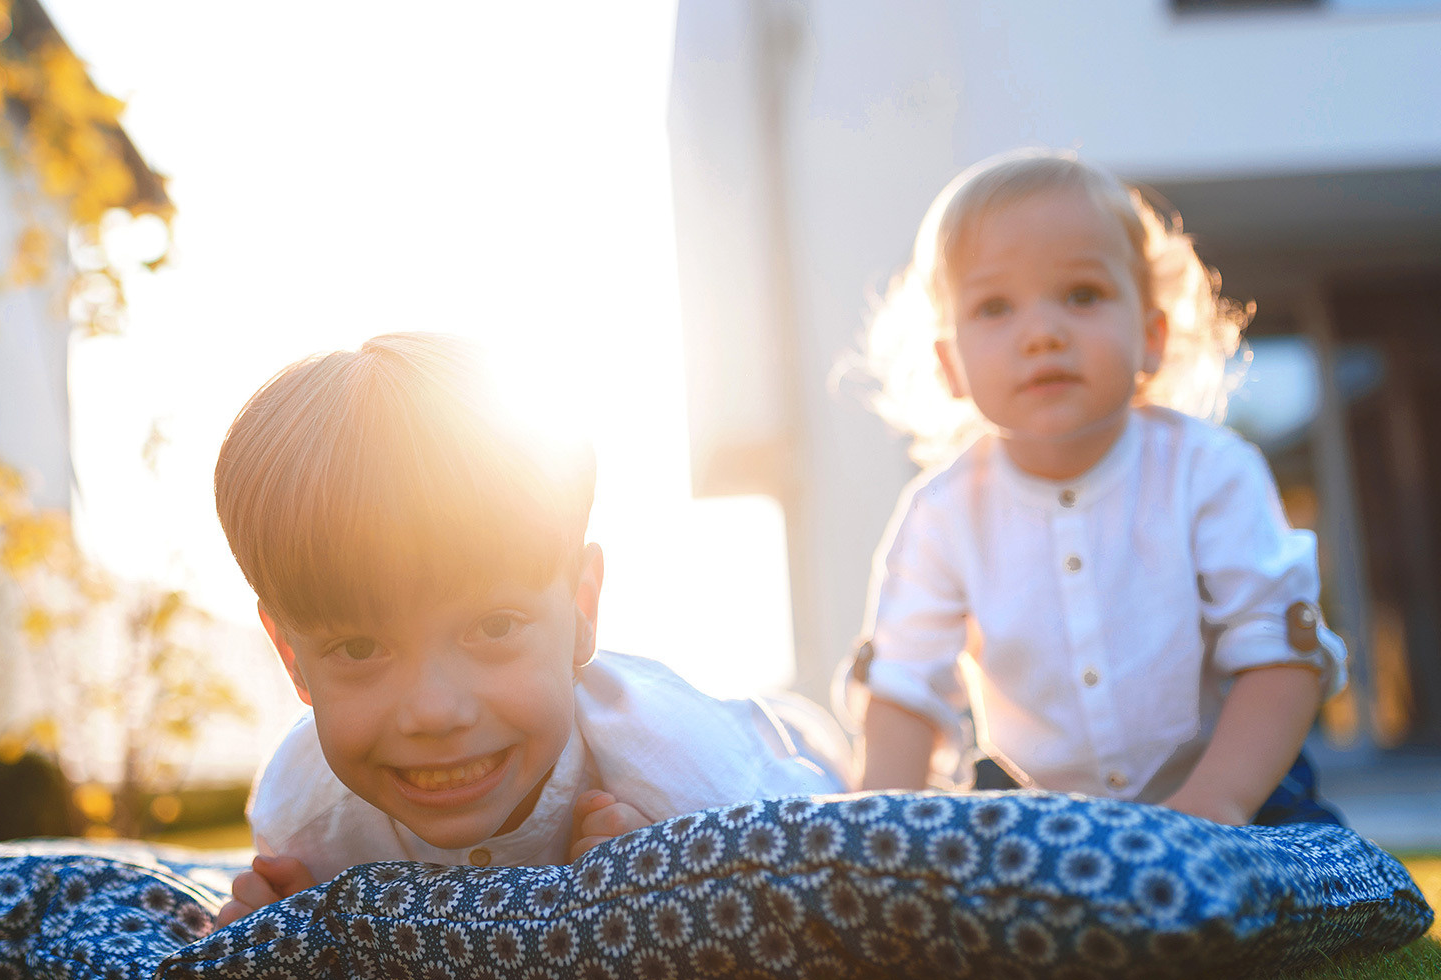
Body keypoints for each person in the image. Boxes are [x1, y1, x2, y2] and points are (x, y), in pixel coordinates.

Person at [212, 333, 845, 929]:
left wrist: (688, 869)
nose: (434, 711)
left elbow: (843, 853)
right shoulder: (302, 817)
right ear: (292, 656)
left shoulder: (690, 773)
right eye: (358, 648)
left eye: (493, 627)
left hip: (793, 742)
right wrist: (269, 926)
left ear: (580, 610)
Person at [847, 149, 1346, 826]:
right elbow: (904, 689)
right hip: (1037, 803)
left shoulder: (1207, 470)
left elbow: (1280, 653)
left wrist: (1216, 804)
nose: (1043, 333)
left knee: (1301, 880)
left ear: (1150, 335)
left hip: (1233, 786)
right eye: (995, 306)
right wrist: (875, 841)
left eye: (1082, 295)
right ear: (950, 363)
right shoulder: (942, 515)